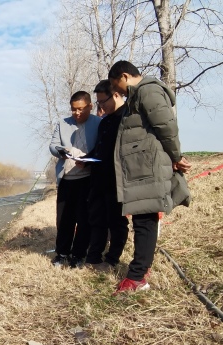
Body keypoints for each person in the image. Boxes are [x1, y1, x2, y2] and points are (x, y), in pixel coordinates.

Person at [108, 60, 191, 294]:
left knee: (145, 220)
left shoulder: (148, 91)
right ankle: (140, 271)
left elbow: (166, 125)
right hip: (141, 167)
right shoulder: (137, 95)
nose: (118, 92)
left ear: (125, 76)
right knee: (143, 219)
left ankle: (137, 278)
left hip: (148, 167)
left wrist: (176, 155)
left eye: (117, 86)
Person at [80, 80, 130, 271]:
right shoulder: (106, 121)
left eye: (103, 102)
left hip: (117, 180)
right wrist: (86, 159)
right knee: (96, 218)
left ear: (116, 95)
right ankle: (93, 257)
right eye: (98, 103)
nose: (101, 107)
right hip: (98, 179)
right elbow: (99, 150)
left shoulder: (128, 118)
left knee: (116, 221)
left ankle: (112, 260)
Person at [49, 91, 101, 268]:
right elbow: (53, 146)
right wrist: (65, 150)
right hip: (67, 179)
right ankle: (62, 253)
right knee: (64, 219)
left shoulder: (99, 124)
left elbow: (102, 150)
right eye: (73, 110)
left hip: (87, 179)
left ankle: (78, 255)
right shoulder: (62, 124)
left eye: (80, 109)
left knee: (84, 220)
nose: (77, 113)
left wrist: (86, 161)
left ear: (90, 106)